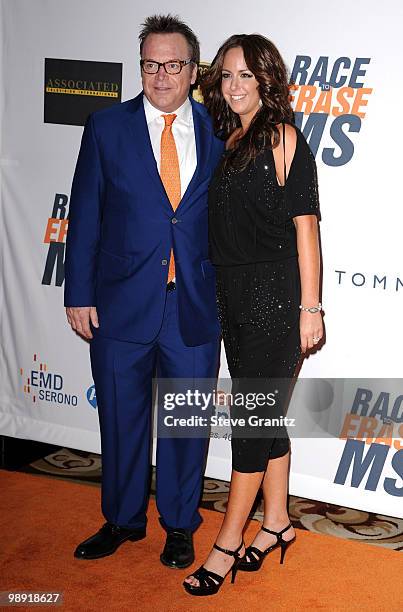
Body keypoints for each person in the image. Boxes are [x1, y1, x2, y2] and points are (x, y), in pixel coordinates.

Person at [64, 14, 224, 569]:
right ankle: (122, 519)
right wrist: (77, 293)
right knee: (121, 417)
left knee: (186, 424)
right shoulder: (106, 126)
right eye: (150, 64)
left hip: (195, 306)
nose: (161, 75)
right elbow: (84, 215)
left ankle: (179, 526)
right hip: (118, 304)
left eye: (173, 64)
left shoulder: (218, 131)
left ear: (193, 70)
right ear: (140, 67)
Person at [183, 33, 323, 596]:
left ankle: (227, 542)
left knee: (250, 424)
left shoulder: (285, 137)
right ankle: (278, 523)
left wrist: (309, 309)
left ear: (268, 81)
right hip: (233, 298)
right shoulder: (229, 136)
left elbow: (306, 229)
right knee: (266, 420)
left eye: (247, 76)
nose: (236, 86)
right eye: (228, 76)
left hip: (277, 299)